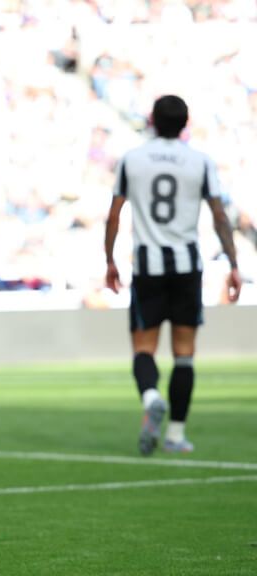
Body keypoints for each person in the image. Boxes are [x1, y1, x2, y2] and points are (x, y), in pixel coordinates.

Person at [105, 95, 242, 456]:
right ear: (186, 122)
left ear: (151, 119)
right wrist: (233, 264)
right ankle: (176, 435)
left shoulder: (132, 159)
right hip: (186, 267)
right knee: (184, 354)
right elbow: (218, 215)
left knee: (143, 347)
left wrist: (110, 260)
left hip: (148, 265)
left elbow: (115, 214)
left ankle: (150, 396)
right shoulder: (200, 161)